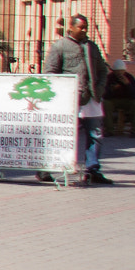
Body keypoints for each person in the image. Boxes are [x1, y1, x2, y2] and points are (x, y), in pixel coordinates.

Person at [44, 14, 109, 183]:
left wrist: (100, 88)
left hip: (93, 99)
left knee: (95, 135)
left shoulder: (92, 47)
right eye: (81, 27)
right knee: (59, 136)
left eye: (86, 26)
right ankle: (46, 169)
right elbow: (50, 73)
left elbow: (103, 70)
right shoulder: (60, 46)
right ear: (71, 27)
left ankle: (92, 169)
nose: (84, 30)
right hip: (69, 100)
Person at [105, 60, 135, 137]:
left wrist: (128, 84)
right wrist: (112, 89)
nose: (119, 73)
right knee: (106, 104)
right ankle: (109, 130)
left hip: (128, 100)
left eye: (121, 71)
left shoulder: (129, 77)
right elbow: (105, 95)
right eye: (117, 71)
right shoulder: (110, 78)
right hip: (114, 100)